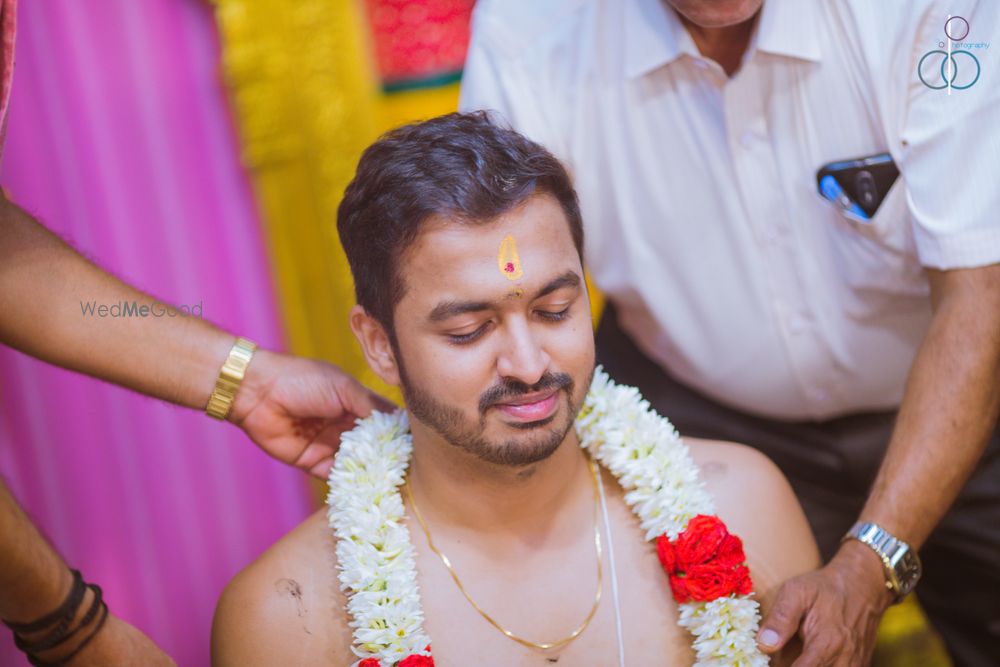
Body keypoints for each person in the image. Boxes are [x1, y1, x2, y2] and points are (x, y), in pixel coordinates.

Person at [457, 1, 1000, 665]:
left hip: (976, 395)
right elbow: (490, 275)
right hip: (698, 413)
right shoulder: (531, 27)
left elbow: (981, 296)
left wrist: (869, 561)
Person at [211, 112, 820, 666]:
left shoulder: (742, 509)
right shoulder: (290, 619)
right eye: (468, 330)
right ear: (377, 343)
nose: (529, 367)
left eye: (555, 310)